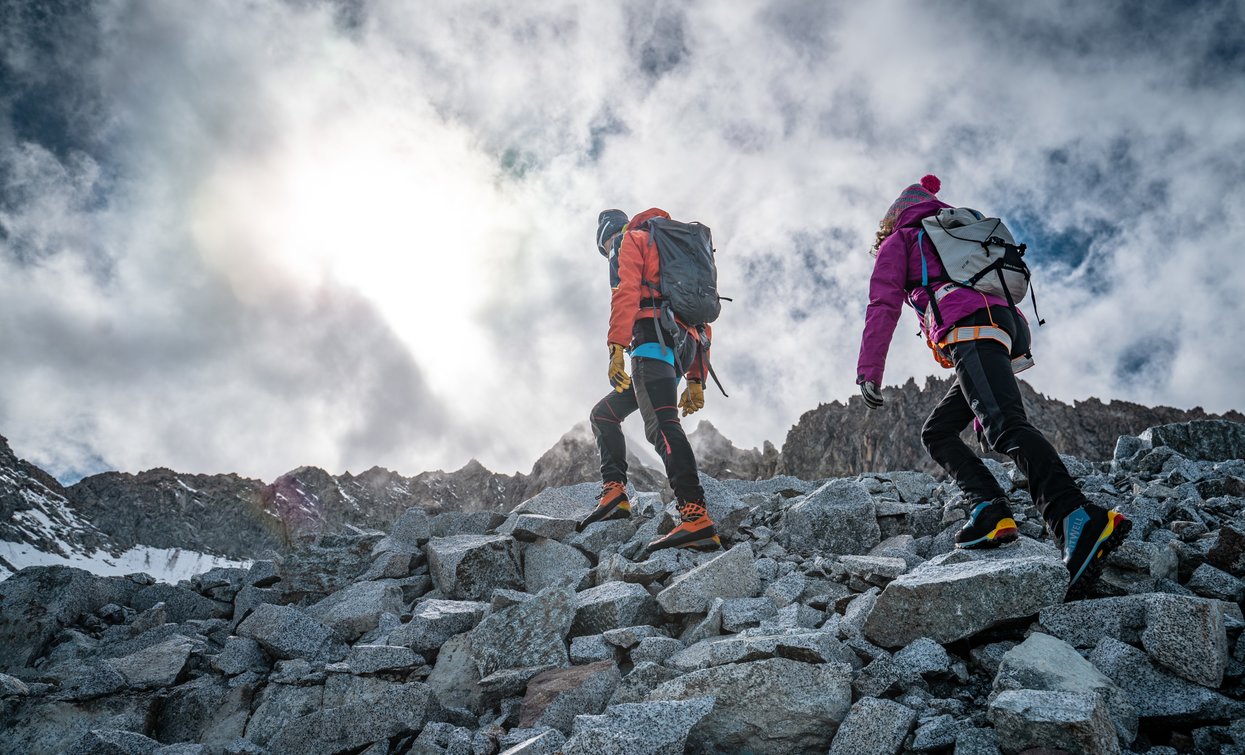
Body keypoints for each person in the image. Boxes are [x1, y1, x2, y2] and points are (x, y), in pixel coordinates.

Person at [855, 175, 1130, 595]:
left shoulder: (903, 239)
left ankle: (1077, 517)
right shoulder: (957, 229)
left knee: (1005, 425)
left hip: (968, 328)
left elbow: (883, 304)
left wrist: (869, 370)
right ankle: (990, 511)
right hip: (1002, 327)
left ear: (892, 219)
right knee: (939, 431)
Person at [578, 207, 722, 552]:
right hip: (679, 349)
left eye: (606, 248)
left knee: (660, 425)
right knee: (604, 415)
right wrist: (696, 378)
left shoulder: (630, 241)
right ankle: (615, 494)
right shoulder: (670, 248)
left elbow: (625, 292)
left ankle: (695, 515)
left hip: (650, 341)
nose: (608, 255)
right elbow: (701, 320)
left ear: (609, 236)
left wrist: (615, 346)